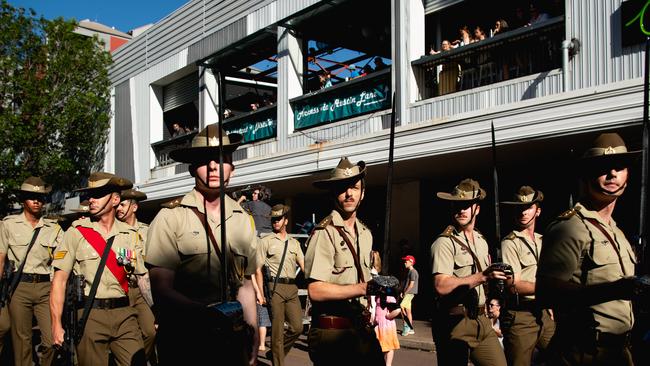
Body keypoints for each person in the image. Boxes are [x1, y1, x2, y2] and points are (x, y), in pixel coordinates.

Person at [145, 124, 259, 365]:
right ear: (191, 168)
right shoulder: (170, 217)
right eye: (205, 159)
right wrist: (208, 315)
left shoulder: (243, 220)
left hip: (231, 340)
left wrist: (253, 334)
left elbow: (246, 287)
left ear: (232, 169)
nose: (214, 166)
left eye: (222, 159)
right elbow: (161, 289)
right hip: (186, 339)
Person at [537, 133, 640, 365]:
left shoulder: (617, 231)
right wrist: (614, 290)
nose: (612, 173)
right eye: (602, 167)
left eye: (619, 167)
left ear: (628, 176)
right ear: (586, 175)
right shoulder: (570, 226)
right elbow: (546, 292)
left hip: (620, 351)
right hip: (585, 352)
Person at [50, 172, 147, 365]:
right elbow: (59, 280)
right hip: (90, 314)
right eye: (89, 195)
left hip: (125, 313)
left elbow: (143, 278)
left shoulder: (130, 234)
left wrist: (158, 312)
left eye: (98, 194)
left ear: (115, 199)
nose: (91, 200)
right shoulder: (77, 232)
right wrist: (56, 325)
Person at [304, 157, 384, 366]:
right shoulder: (324, 233)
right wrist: (362, 288)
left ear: (363, 193)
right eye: (342, 188)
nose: (349, 193)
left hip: (360, 329)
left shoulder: (366, 234)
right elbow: (316, 290)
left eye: (355, 188)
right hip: (332, 333)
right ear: (333, 194)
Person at [430, 178, 508, 366]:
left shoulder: (481, 241)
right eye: (457, 205)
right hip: (455, 321)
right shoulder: (444, 242)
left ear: (477, 209)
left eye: (466, 205)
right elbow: (441, 285)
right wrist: (482, 276)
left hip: (481, 318)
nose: (461, 210)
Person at [0, 176, 63, 366]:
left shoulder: (54, 228)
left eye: (41, 197)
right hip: (19, 288)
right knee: (22, 342)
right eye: (31, 196)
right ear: (22, 200)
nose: (37, 201)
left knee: (51, 341)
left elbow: (61, 262)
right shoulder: (8, 225)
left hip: (46, 288)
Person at [500, 185, 555, 365]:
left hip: (544, 312)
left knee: (562, 357)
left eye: (528, 207)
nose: (523, 212)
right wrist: (549, 290)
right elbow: (513, 285)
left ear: (537, 211)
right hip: (521, 315)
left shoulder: (543, 240)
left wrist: (550, 304)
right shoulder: (510, 242)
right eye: (519, 208)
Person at [257, 204, 305, 366]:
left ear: (285, 220)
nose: (275, 222)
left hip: (292, 288)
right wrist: (260, 293)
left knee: (297, 327)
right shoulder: (266, 241)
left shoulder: (294, 243)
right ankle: (279, 362)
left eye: (278, 219)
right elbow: (257, 269)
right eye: (273, 220)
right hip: (274, 288)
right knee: (277, 332)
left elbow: (305, 266)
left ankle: (276, 352)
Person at [117, 188, 157, 364]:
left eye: (122, 205)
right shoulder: (115, 231)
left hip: (143, 289)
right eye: (117, 204)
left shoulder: (148, 231)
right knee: (126, 333)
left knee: (150, 331)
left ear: (134, 207)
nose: (118, 208)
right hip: (123, 288)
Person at [369, 251, 400, 366]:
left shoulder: (389, 298)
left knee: (389, 346)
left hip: (386, 325)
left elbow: (397, 310)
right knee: (381, 345)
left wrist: (388, 316)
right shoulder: (379, 297)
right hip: (379, 324)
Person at [400, 255, 418, 336]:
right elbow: (408, 284)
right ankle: (411, 329)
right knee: (408, 310)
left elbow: (411, 284)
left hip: (410, 293)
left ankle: (406, 326)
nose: (404, 263)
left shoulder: (413, 272)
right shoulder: (410, 272)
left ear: (411, 262)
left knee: (401, 306)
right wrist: (403, 291)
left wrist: (405, 293)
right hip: (409, 293)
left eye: (406, 261)